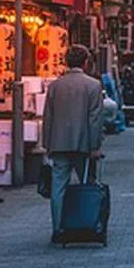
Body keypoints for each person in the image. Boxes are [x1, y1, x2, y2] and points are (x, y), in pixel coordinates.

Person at [43, 45, 104, 242]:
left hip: (58, 143)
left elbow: (48, 117)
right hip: (83, 144)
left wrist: (47, 144)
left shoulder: (55, 86)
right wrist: (95, 146)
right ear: (86, 62)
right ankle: (86, 223)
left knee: (58, 187)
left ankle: (58, 228)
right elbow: (94, 119)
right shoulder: (93, 85)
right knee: (87, 183)